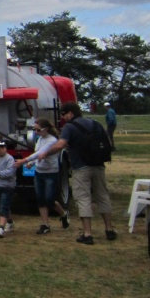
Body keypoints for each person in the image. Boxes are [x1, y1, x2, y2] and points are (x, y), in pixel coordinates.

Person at [36, 102, 116, 245]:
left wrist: (46, 153)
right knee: (102, 196)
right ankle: (109, 229)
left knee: (83, 198)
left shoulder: (69, 127)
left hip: (81, 167)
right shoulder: (95, 123)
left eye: (64, 114)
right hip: (99, 165)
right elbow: (107, 142)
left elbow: (60, 145)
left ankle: (87, 233)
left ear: (70, 113)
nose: (63, 117)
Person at [14, 118, 69, 233]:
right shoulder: (39, 139)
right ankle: (45, 224)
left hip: (51, 173)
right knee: (40, 199)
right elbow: (37, 154)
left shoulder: (52, 140)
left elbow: (41, 153)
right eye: (34, 130)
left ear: (46, 129)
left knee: (50, 199)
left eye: (38, 130)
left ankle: (63, 214)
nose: (36, 132)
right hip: (39, 172)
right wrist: (31, 163)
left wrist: (23, 161)